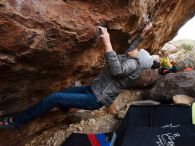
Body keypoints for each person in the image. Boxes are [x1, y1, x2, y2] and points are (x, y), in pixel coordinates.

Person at [0, 22, 158, 128]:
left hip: (95, 98)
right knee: (64, 93)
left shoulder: (132, 64)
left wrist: (107, 42)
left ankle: (16, 121)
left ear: (137, 59)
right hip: (93, 89)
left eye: (139, 51)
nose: (136, 49)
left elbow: (116, 69)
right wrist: (144, 32)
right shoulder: (134, 60)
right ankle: (65, 106)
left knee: (54, 97)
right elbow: (133, 45)